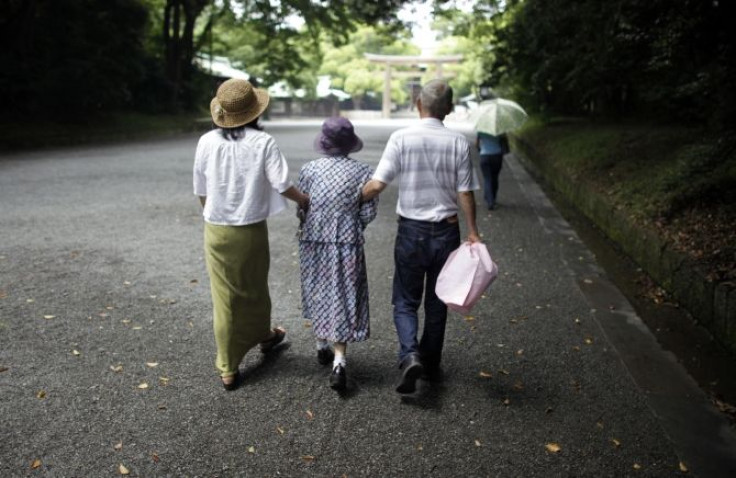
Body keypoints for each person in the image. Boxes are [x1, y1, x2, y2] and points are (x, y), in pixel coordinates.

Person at [361, 79, 481, 394]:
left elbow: (376, 185)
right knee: (439, 299)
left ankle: (409, 354)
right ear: (450, 109)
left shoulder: (401, 138)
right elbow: (465, 192)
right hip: (446, 231)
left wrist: (348, 201)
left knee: (405, 299)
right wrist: (473, 232)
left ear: (418, 104)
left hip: (411, 231)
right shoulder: (458, 142)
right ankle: (429, 362)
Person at [193, 78, 309, 391]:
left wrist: (213, 212)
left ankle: (235, 361)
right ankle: (251, 346)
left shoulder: (206, 142)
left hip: (216, 229)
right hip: (251, 230)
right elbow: (283, 185)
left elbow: (201, 190)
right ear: (255, 113)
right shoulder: (263, 143)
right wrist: (304, 201)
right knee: (254, 287)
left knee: (225, 297)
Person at [297, 117, 378, 391]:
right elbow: (368, 213)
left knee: (318, 288)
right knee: (342, 294)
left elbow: (302, 208)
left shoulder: (309, 170)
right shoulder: (363, 172)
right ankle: (339, 360)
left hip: (313, 238)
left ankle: (321, 343)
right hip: (347, 241)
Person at [476, 131, 509, 210]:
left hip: (484, 156)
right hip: (497, 156)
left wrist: (480, 150)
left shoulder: (481, 131)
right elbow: (504, 143)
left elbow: (476, 144)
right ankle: (492, 198)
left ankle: (489, 200)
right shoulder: (500, 131)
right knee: (495, 177)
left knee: (487, 178)